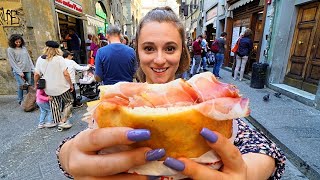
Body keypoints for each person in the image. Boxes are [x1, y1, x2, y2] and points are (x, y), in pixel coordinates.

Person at [57, 7, 285, 179]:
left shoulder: (204, 101)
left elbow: (263, 150)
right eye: (148, 48)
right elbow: (79, 146)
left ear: (181, 53)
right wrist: (67, 156)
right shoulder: (119, 106)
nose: (159, 59)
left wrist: (248, 172)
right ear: (137, 51)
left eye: (169, 48)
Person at [34, 41, 74, 128]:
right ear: (57, 49)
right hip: (62, 86)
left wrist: (35, 84)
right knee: (69, 101)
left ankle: (57, 121)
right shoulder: (59, 59)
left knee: (54, 104)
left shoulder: (40, 59)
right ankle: (63, 120)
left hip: (49, 88)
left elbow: (36, 74)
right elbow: (66, 73)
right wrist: (71, 84)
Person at [7, 34, 35, 105]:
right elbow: (12, 62)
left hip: (27, 69)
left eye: (19, 42)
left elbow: (29, 59)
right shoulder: (10, 49)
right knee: (21, 85)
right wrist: (19, 72)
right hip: (18, 70)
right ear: (13, 42)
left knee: (29, 85)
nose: (18, 43)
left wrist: (33, 69)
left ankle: (30, 100)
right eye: (16, 42)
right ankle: (20, 100)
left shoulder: (24, 48)